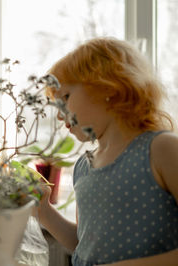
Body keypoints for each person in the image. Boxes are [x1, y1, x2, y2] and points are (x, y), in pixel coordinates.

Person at [36, 37, 178, 265]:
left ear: (108, 87)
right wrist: (44, 211)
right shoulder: (84, 166)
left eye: (66, 97)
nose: (60, 114)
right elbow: (85, 244)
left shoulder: (161, 149)